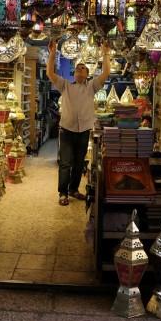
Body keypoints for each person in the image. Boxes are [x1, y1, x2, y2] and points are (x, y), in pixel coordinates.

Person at [46, 39, 111, 206]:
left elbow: (105, 73)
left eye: (83, 68)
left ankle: (74, 190)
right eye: (77, 68)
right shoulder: (66, 85)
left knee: (79, 163)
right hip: (66, 130)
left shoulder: (91, 87)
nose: (80, 70)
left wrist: (105, 53)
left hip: (84, 131)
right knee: (65, 163)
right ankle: (63, 192)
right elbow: (50, 74)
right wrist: (53, 54)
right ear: (74, 74)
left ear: (87, 73)